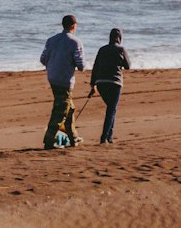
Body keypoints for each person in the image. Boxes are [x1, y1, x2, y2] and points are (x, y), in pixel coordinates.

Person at [40, 14, 84, 149]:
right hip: (65, 80)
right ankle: (49, 139)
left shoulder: (51, 40)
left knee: (69, 107)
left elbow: (43, 59)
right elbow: (81, 65)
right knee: (61, 110)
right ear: (73, 26)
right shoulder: (75, 42)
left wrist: (54, 64)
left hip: (53, 77)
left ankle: (73, 137)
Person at [88, 28, 131, 144]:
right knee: (111, 109)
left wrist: (92, 84)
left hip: (101, 82)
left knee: (111, 109)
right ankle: (104, 137)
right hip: (115, 82)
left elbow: (95, 67)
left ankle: (109, 136)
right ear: (120, 38)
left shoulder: (102, 49)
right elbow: (128, 66)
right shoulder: (121, 49)